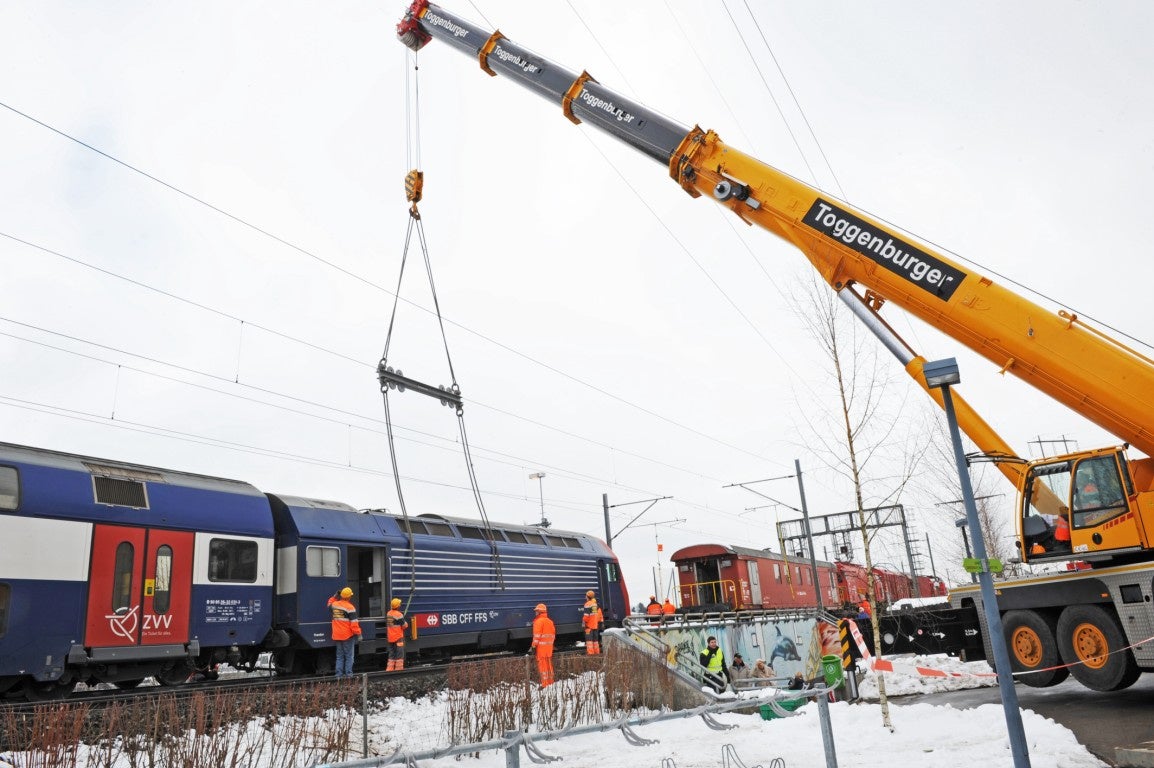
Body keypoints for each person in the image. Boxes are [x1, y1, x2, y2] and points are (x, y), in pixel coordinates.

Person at [327, 587, 361, 678]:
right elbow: (354, 624)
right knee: (349, 656)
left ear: (341, 596)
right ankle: (349, 675)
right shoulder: (350, 608)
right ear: (349, 597)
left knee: (339, 656)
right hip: (347, 636)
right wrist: (359, 634)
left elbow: (329, 604)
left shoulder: (334, 605)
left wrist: (335, 596)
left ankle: (338, 675)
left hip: (337, 636)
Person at [529, 603, 556, 687]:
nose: (535, 612)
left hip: (541, 648)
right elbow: (553, 635)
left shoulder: (538, 622)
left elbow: (537, 636)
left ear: (540, 612)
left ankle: (545, 684)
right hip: (549, 648)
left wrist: (533, 646)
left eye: (536, 611)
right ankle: (551, 682)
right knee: (549, 665)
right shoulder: (550, 621)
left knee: (543, 666)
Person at [385, 597, 409, 671]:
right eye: (399, 604)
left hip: (390, 637)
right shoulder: (399, 615)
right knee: (399, 653)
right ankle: (399, 669)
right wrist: (406, 623)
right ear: (398, 606)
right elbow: (404, 626)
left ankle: (389, 669)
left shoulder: (388, 613)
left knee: (391, 653)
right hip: (398, 637)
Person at [582, 590, 603, 655]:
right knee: (595, 641)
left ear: (588, 596)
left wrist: (583, 622)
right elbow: (595, 615)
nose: (585, 597)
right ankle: (597, 653)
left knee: (589, 641)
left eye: (586, 596)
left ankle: (591, 655)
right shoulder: (595, 604)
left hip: (589, 626)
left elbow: (586, 616)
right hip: (595, 625)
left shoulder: (587, 604)